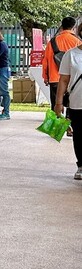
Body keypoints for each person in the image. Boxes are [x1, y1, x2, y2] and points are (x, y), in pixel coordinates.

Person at [53, 20, 82, 180]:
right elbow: (63, 81)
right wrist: (58, 104)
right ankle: (81, 165)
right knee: (79, 136)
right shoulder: (71, 55)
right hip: (77, 103)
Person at [42, 16, 80, 112]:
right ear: (74, 27)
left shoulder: (53, 41)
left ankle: (57, 125)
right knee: (71, 106)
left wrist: (46, 77)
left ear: (61, 26)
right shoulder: (77, 42)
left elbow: (46, 60)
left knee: (55, 108)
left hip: (55, 78)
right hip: (72, 80)